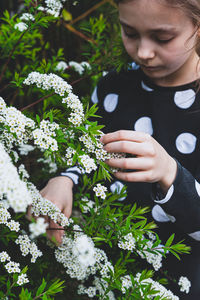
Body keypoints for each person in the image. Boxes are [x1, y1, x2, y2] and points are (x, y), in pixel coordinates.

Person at [41, 0, 200, 298]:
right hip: (101, 271)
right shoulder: (113, 86)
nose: (143, 52)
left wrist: (170, 172)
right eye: (130, 32)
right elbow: (90, 153)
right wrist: (66, 180)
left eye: (163, 38)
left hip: (180, 282)